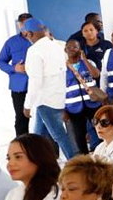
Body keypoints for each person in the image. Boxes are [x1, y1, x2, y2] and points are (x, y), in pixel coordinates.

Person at [22, 18, 81, 161]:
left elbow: (35, 80)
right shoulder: (57, 46)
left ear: (29, 34)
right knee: (37, 136)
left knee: (60, 136)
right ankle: (35, 164)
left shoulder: (34, 51)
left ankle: (78, 165)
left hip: (45, 100)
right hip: (58, 98)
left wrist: (27, 105)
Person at [61, 37, 101, 154]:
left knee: (99, 129)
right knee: (79, 134)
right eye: (69, 47)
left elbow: (96, 74)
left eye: (75, 47)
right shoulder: (62, 68)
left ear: (80, 49)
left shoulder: (89, 63)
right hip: (73, 107)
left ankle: (102, 154)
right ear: (65, 50)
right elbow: (60, 90)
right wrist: (63, 110)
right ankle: (84, 158)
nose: (72, 49)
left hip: (93, 104)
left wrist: (85, 60)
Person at [0, 12, 34, 138]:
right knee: (21, 118)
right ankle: (22, 147)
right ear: (19, 25)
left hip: (40, 85)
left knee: (46, 118)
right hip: (19, 87)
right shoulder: (11, 42)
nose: (26, 27)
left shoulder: (41, 40)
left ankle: (51, 151)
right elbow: (0, 62)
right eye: (23, 24)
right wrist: (15, 68)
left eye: (29, 24)